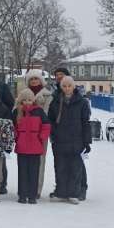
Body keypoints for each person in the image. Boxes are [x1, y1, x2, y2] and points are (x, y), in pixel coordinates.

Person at [48, 76, 91, 205]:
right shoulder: (56, 101)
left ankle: (74, 193)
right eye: (64, 86)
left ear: (73, 86)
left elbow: (86, 122)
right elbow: (50, 120)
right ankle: (61, 192)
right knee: (60, 167)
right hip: (60, 140)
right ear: (61, 87)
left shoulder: (82, 102)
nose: (67, 88)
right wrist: (53, 134)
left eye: (69, 86)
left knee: (75, 168)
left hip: (76, 140)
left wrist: (87, 142)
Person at [13, 90, 51, 204]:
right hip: (22, 147)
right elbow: (12, 126)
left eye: (29, 100)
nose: (27, 102)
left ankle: (32, 195)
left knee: (34, 172)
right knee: (22, 172)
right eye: (24, 100)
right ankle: (22, 194)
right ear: (21, 101)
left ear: (33, 100)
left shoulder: (39, 111)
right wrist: (16, 137)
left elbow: (46, 125)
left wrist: (41, 137)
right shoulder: (17, 111)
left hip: (35, 146)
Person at [24, 69, 54, 197]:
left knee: (40, 160)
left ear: (41, 80)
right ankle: (25, 187)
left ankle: (36, 189)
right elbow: (18, 110)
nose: (34, 81)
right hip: (25, 132)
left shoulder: (47, 96)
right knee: (25, 160)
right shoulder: (24, 94)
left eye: (36, 78)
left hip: (40, 132)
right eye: (31, 79)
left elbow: (47, 115)